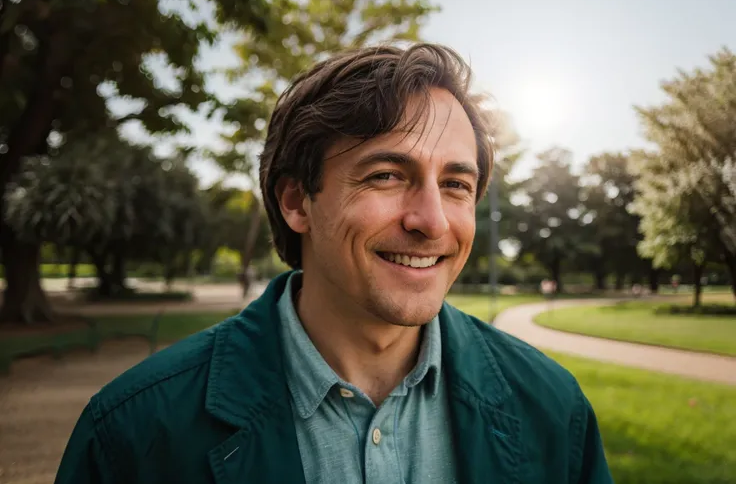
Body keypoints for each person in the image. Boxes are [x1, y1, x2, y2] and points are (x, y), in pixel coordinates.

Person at [55, 43, 613, 484]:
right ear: (297, 201)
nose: (433, 221)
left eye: (456, 184)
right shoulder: (135, 432)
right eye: (387, 176)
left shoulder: (554, 409)